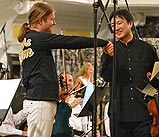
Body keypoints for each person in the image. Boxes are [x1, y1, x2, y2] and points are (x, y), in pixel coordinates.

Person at [17, 2, 110, 137]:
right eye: (52, 19)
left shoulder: (28, 40)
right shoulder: (38, 38)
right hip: (41, 103)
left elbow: (34, 75)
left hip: (37, 100)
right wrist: (102, 42)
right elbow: (71, 41)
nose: (54, 23)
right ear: (41, 20)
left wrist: (55, 93)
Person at [100, 9, 159, 137]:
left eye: (119, 23)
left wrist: (150, 86)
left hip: (144, 113)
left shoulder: (147, 49)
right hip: (119, 115)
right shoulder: (109, 49)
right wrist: (109, 57)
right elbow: (105, 76)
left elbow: (157, 80)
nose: (116, 28)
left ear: (130, 24)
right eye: (113, 25)